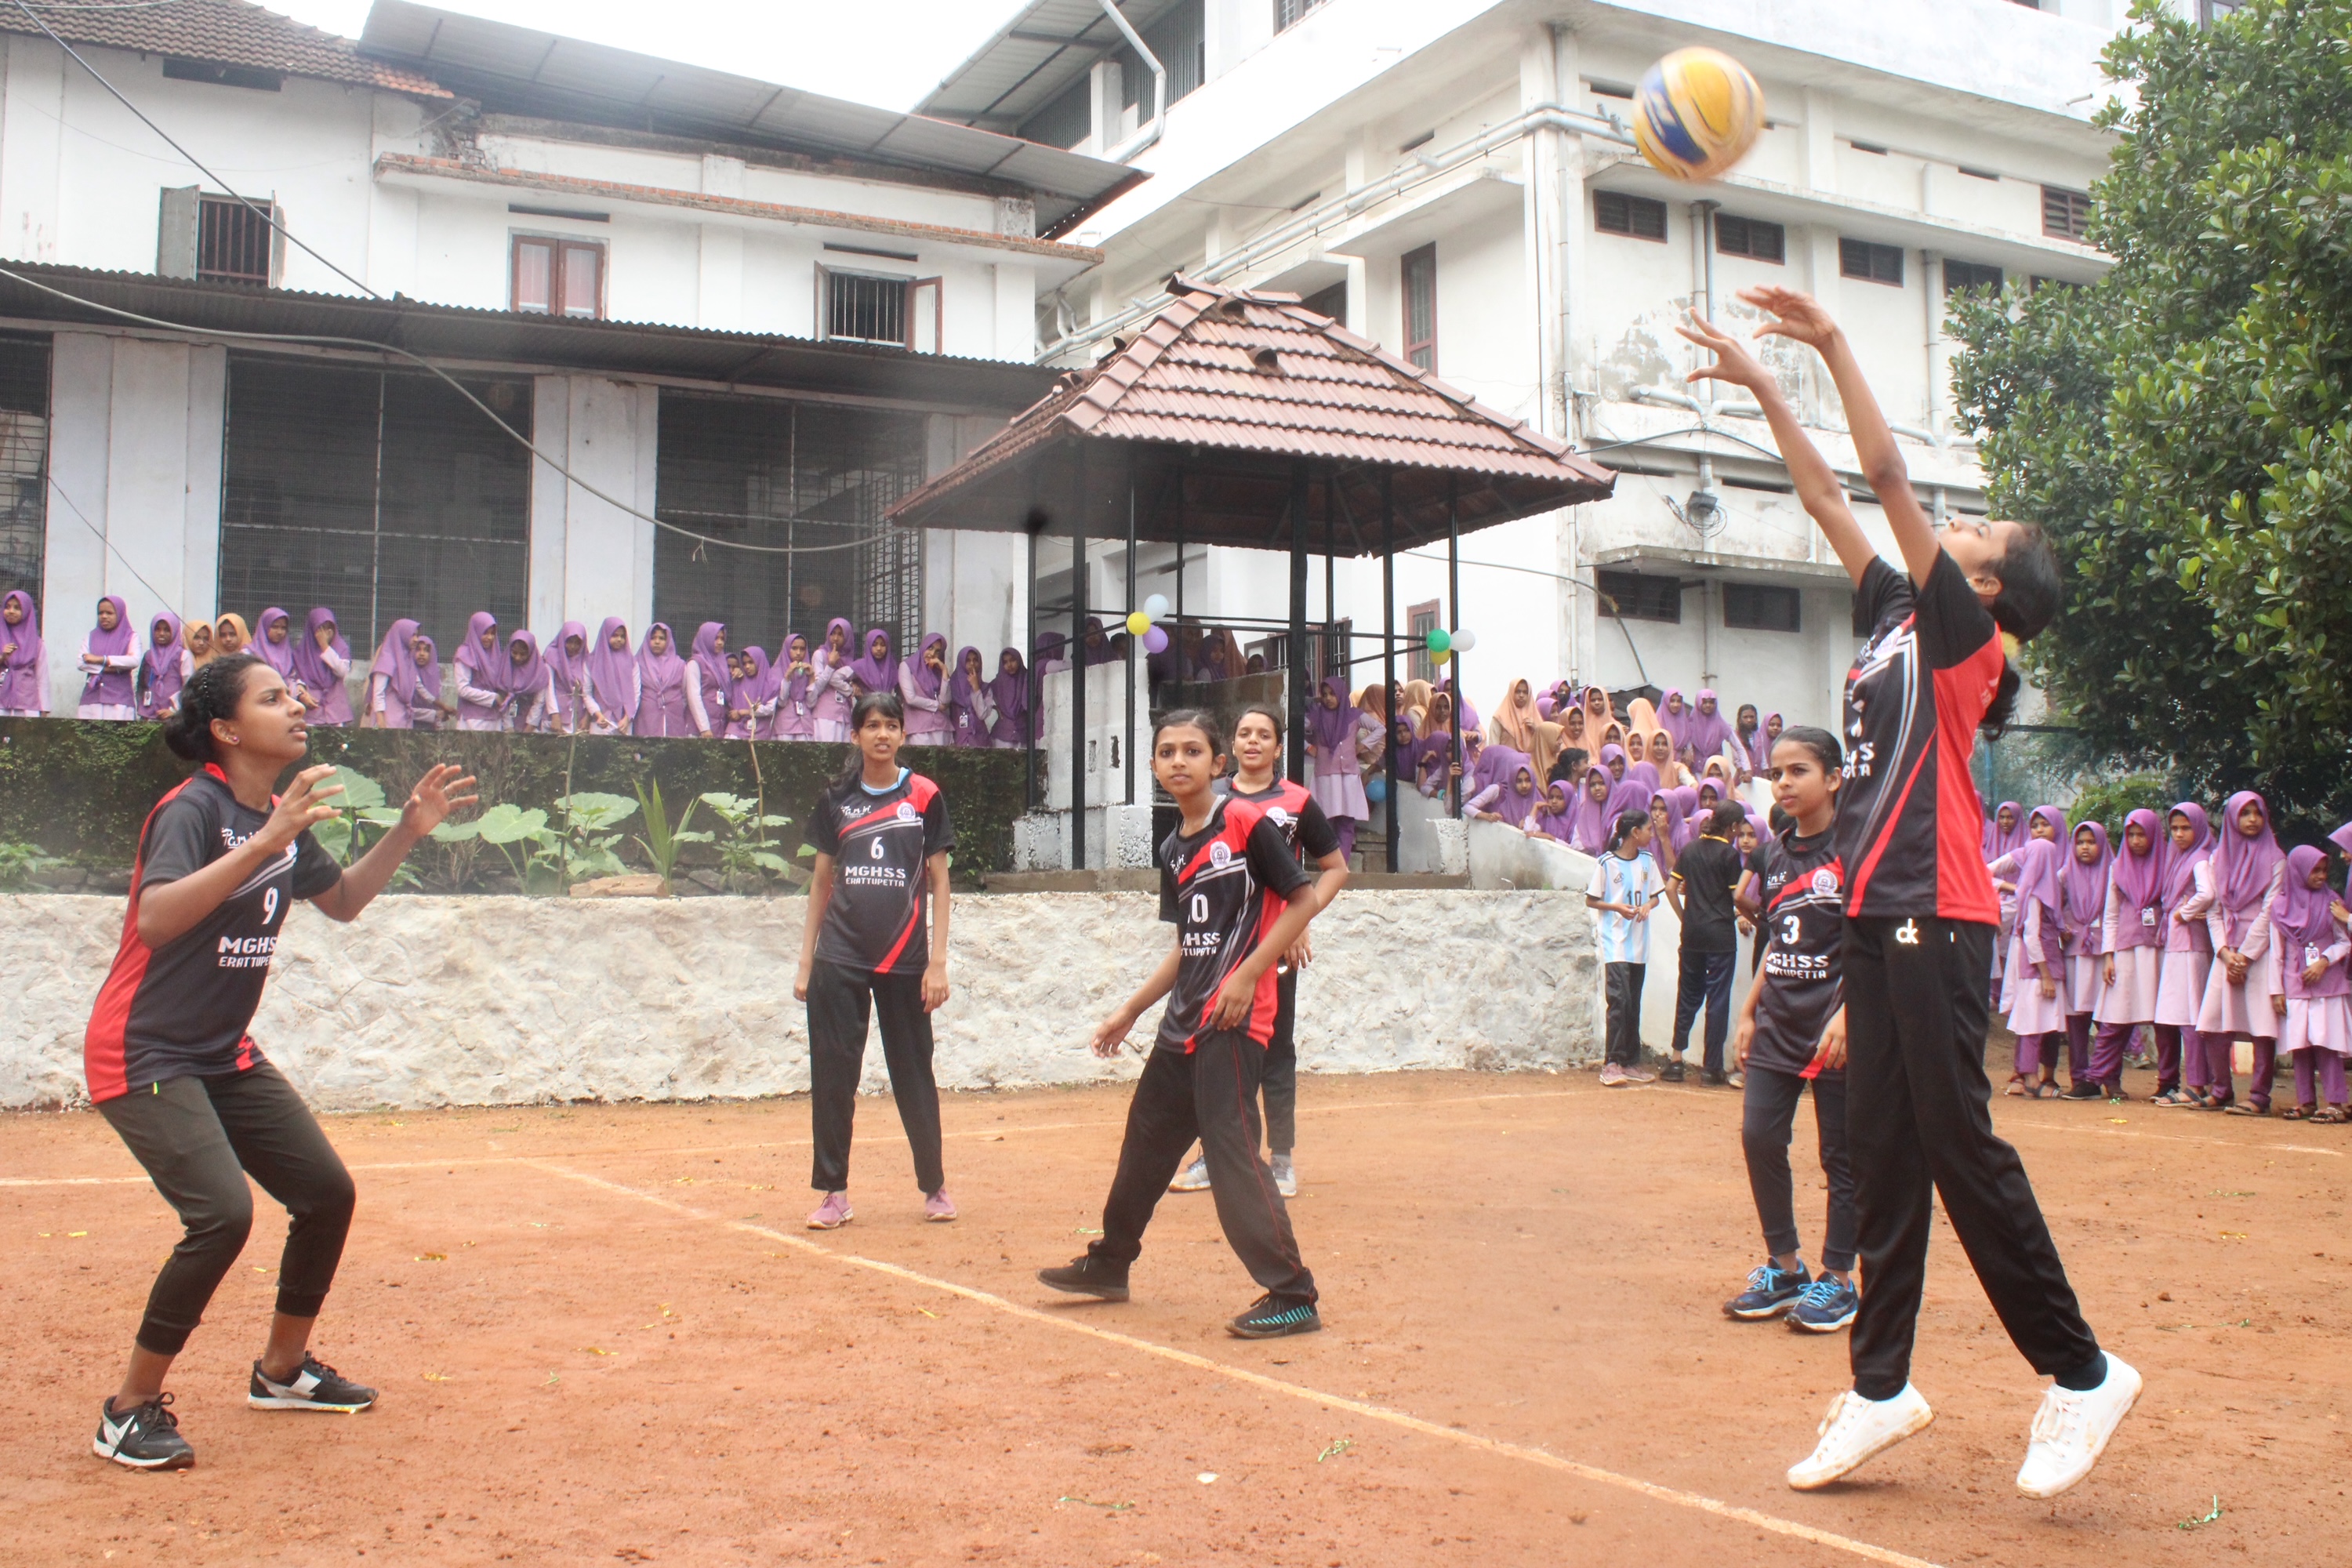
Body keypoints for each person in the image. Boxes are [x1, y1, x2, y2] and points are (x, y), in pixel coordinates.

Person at [1682, 289, 2135, 1500]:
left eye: (1982, 529)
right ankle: (1881, 1389)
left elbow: (1880, 474)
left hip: (1944, 906)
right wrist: (1763, 388)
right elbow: (1829, 498)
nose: (1961, 522)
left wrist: (1831, 344)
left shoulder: (1965, 640)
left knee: (1958, 1147)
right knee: (1882, 1155)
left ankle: (2083, 1372)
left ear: (1988, 589)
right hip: (1881, 912)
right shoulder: (1895, 611)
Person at [82, 652, 474, 1471]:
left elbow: (344, 902)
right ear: (227, 730)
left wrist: (408, 828)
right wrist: (267, 839)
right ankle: (126, 1410)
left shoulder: (278, 817)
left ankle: (283, 1371)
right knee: (222, 1215)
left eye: (293, 694)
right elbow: (155, 919)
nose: (296, 705)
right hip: (144, 1046)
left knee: (326, 1192)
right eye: (272, 698)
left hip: (221, 1052)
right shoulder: (193, 809)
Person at [1036, 710, 1330, 1338]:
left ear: (1218, 763)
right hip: (1182, 1025)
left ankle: (1293, 1293)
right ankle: (1110, 1264)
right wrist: (1131, 1010)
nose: (1178, 761)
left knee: (1232, 1156)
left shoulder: (1245, 821)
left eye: (1192, 750)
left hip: (1233, 1022)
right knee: (1144, 1146)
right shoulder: (1174, 848)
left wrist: (1249, 976)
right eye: (1166, 751)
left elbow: (1303, 898)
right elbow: (1186, 946)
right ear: (1152, 766)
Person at [1167, 704, 1351, 1200]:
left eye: (1263, 735)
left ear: (1278, 746)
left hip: (1274, 947)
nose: (1253, 741)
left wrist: (1300, 920)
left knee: (1275, 1051)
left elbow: (1335, 868)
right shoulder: (1213, 800)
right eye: (1244, 733)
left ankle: (1281, 1159)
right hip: (1220, 949)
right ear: (1229, 747)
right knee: (1215, 1051)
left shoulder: (1297, 801)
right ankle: (1215, 1154)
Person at [793, 691, 957, 1228]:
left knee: (914, 1074)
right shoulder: (836, 798)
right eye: (872, 726)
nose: (882, 735)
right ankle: (833, 1194)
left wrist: (937, 962)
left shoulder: (925, 795)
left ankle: (934, 1187)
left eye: (891, 725)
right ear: (856, 735)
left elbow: (939, 882)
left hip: (906, 960)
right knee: (834, 1075)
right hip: (839, 956)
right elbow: (821, 882)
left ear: (903, 734)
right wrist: (806, 962)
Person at [1724, 724, 1857, 1334]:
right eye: (1777, 772)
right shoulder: (1774, 854)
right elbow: (1779, 941)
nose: (1783, 782)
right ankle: (1786, 1268)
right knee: (1759, 1137)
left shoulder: (1855, 851)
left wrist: (1849, 1015)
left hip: (1835, 1027)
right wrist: (1749, 1011)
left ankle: (1839, 1279)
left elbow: (1872, 947)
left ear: (1834, 778)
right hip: (1778, 1021)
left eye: (1799, 770)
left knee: (1841, 1155)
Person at [2198, 790, 2285, 1114]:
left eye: (2257, 813)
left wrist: (2245, 957)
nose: (2252, 820)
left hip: (2259, 953)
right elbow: (2213, 910)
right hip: (2227, 953)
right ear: (2232, 819)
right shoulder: (2216, 859)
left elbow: (2271, 911)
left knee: (2262, 1026)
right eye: (2245, 813)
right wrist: (2224, 953)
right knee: (2213, 1022)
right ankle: (2221, 1090)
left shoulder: (2276, 859)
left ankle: (2260, 1096)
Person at [1666, 800, 1748, 1086]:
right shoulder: (1729, 854)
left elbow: (1670, 888)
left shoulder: (1690, 849)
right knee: (1717, 999)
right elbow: (1737, 897)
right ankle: (1711, 1068)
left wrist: (1685, 918)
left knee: (1687, 995)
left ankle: (1676, 1060)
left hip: (1692, 934)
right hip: (1720, 936)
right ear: (1733, 827)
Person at [2092, 811, 2168, 1101]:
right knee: (2116, 1017)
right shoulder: (2118, 868)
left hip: (2158, 952)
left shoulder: (2167, 865)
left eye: (2141, 835)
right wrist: (2108, 956)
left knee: (2163, 1021)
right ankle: (2104, 1078)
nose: (2136, 841)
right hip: (2124, 951)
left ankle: (2168, 1083)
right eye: (2131, 835)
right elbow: (2110, 915)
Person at [2270, 845, 2349, 1121]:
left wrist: (2323, 962)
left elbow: (2344, 942)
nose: (2321, 876)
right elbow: (2276, 953)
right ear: (2298, 871)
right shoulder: (2279, 907)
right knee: (2300, 1045)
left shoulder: (2331, 902)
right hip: (2295, 985)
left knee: (2327, 1044)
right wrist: (2276, 991)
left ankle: (2336, 1103)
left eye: (2324, 870)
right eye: (2315, 870)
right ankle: (2305, 1101)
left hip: (2327, 985)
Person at [1588, 808, 1662, 1087]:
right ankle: (1612, 1062)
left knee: (1633, 1001)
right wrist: (1617, 907)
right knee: (1619, 1000)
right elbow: (1591, 899)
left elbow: (1655, 896)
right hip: (1615, 941)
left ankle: (1630, 1061)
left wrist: (1647, 906)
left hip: (1639, 943)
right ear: (1635, 832)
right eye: (1648, 829)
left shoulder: (1647, 861)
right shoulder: (1607, 863)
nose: (1651, 834)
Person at [2152, 804, 2217, 1106]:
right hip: (2178, 944)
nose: (2179, 834)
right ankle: (2195, 1082)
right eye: (2175, 828)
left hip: (2191, 945)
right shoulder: (2179, 858)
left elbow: (2207, 893)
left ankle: (2197, 1084)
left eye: (2186, 828)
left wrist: (2183, 914)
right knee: (2180, 1014)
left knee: (2191, 1016)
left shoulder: (2200, 858)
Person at [1994, 837, 2068, 1098]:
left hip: (2047, 966)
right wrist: (2045, 975)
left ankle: (2034, 1076)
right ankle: (2031, 1079)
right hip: (2038, 970)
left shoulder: (2042, 891)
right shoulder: (2036, 894)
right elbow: (2031, 937)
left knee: (2043, 1023)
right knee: (2033, 1025)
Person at [2056, 822, 2114, 1099]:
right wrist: (2062, 930)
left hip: (2104, 955)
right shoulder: (2064, 874)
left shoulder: (2113, 873)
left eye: (2091, 842)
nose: (2085, 848)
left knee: (2107, 1017)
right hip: (2075, 955)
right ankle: (2079, 1078)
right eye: (2080, 843)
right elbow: (2053, 909)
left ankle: (2110, 1079)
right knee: (2077, 1019)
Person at [78, 595, 140, 719]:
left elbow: (134, 660)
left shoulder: (131, 637)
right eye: (100, 613)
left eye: (109, 613)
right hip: (92, 698)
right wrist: (112, 669)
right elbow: (81, 662)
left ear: (120, 614)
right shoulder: (91, 636)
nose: (104, 616)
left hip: (119, 700)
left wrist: (102, 659)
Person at [289, 609, 353, 728]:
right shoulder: (301, 652)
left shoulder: (341, 648)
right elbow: (295, 678)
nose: (326, 633)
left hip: (336, 712)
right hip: (312, 711)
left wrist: (325, 647)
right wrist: (301, 694)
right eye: (321, 629)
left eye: (329, 628)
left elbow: (342, 672)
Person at [364, 619, 423, 729]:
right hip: (387, 723)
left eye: (417, 635)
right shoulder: (387, 659)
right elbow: (378, 693)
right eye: (413, 635)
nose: (416, 639)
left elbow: (418, 685)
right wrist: (381, 722)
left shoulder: (407, 661)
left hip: (403, 721)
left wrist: (438, 703)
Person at [452, 612, 508, 730]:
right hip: (472, 721)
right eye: (485, 633)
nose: (490, 637)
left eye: (492, 633)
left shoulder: (496, 656)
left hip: (495, 720)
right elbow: (463, 689)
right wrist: (493, 698)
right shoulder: (465, 654)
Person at [586, 618, 638, 735]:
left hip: (624, 724)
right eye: (615, 635)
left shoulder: (632, 662)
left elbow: (636, 693)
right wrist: (598, 714)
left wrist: (627, 718)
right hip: (601, 723)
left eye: (622, 636)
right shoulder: (592, 662)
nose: (619, 639)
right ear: (605, 635)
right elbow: (587, 693)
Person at [2, 588, 48, 716]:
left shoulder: (36, 644)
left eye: (17, 608)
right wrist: (2, 657)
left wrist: (44, 709)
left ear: (26, 611)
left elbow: (42, 676)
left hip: (28, 702)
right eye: (7, 607)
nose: (11, 611)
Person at [810, 619, 858, 742]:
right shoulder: (820, 655)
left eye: (840, 634)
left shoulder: (849, 660)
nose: (835, 638)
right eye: (833, 633)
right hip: (825, 716)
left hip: (845, 715)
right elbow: (817, 687)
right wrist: (830, 665)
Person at [900, 633, 952, 746]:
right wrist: (936, 705)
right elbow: (911, 699)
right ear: (924, 646)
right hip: (918, 729)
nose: (932, 654)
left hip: (941, 728)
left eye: (937, 651)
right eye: (930, 648)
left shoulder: (938, 670)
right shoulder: (907, 666)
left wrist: (944, 671)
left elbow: (945, 701)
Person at [543, 621, 593, 734]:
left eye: (577, 643)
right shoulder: (551, 656)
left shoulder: (585, 659)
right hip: (555, 718)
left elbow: (588, 691)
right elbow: (549, 688)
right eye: (569, 642)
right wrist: (555, 714)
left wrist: (587, 716)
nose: (573, 647)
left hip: (578, 719)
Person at [137, 613, 189, 720]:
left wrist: (175, 710)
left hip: (173, 715)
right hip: (149, 715)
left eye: (167, 630)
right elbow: (142, 685)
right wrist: (142, 708)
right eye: (158, 629)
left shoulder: (183, 655)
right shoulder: (148, 656)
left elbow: (188, 686)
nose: (161, 633)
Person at [684, 622, 729, 739]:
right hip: (700, 731)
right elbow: (693, 697)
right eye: (716, 638)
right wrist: (704, 728)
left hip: (718, 727)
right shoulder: (695, 663)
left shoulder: (721, 663)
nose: (720, 642)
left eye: (722, 639)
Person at [946, 644, 994, 747]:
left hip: (979, 740)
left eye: (975, 660)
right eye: (968, 660)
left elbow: (982, 714)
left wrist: (976, 688)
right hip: (958, 739)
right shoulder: (951, 686)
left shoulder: (986, 689)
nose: (972, 663)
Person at [771, 633, 816, 741]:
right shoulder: (777, 671)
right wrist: (787, 676)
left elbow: (811, 703)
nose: (798, 653)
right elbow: (781, 702)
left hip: (805, 724)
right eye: (794, 648)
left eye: (802, 649)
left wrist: (811, 677)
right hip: (784, 725)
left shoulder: (806, 670)